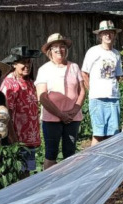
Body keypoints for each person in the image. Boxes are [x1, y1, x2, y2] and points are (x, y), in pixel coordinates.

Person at [36, 33, 85, 169]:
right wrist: (60, 114)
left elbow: (82, 91)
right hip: (51, 118)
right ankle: (49, 185)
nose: (59, 50)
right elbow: (42, 97)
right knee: (51, 153)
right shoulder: (44, 69)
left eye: (62, 46)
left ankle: (68, 184)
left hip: (72, 118)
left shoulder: (74, 67)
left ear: (66, 49)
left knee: (70, 153)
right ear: (50, 51)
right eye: (55, 47)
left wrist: (74, 110)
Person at [1, 46, 43, 174]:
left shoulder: (30, 82)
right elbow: (6, 113)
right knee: (18, 173)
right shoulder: (10, 83)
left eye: (29, 62)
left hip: (30, 138)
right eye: (23, 62)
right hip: (17, 139)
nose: (27, 65)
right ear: (14, 64)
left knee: (27, 171)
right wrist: (12, 136)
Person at [82, 20, 123, 146]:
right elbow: (84, 73)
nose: (108, 36)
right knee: (99, 134)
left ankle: (109, 163)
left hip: (113, 98)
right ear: (100, 36)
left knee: (113, 133)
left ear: (114, 35)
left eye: (110, 33)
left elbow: (118, 76)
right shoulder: (93, 51)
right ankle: (93, 163)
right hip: (97, 98)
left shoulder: (116, 54)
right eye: (105, 33)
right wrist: (92, 89)